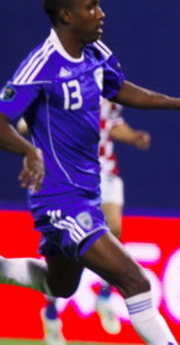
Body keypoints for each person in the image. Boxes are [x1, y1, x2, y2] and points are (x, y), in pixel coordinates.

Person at [0, 0, 180, 345]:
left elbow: (119, 88)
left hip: (88, 192)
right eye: (91, 6)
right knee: (135, 281)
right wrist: (29, 151)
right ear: (66, 15)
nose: (101, 13)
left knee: (60, 285)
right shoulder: (41, 66)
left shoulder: (95, 52)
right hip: (60, 199)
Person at [21, 98, 152, 343]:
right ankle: (51, 311)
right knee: (64, 247)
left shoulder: (110, 89)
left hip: (105, 172)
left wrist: (133, 137)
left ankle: (104, 295)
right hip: (69, 175)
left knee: (114, 229)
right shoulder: (62, 87)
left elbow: (112, 123)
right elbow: (25, 121)